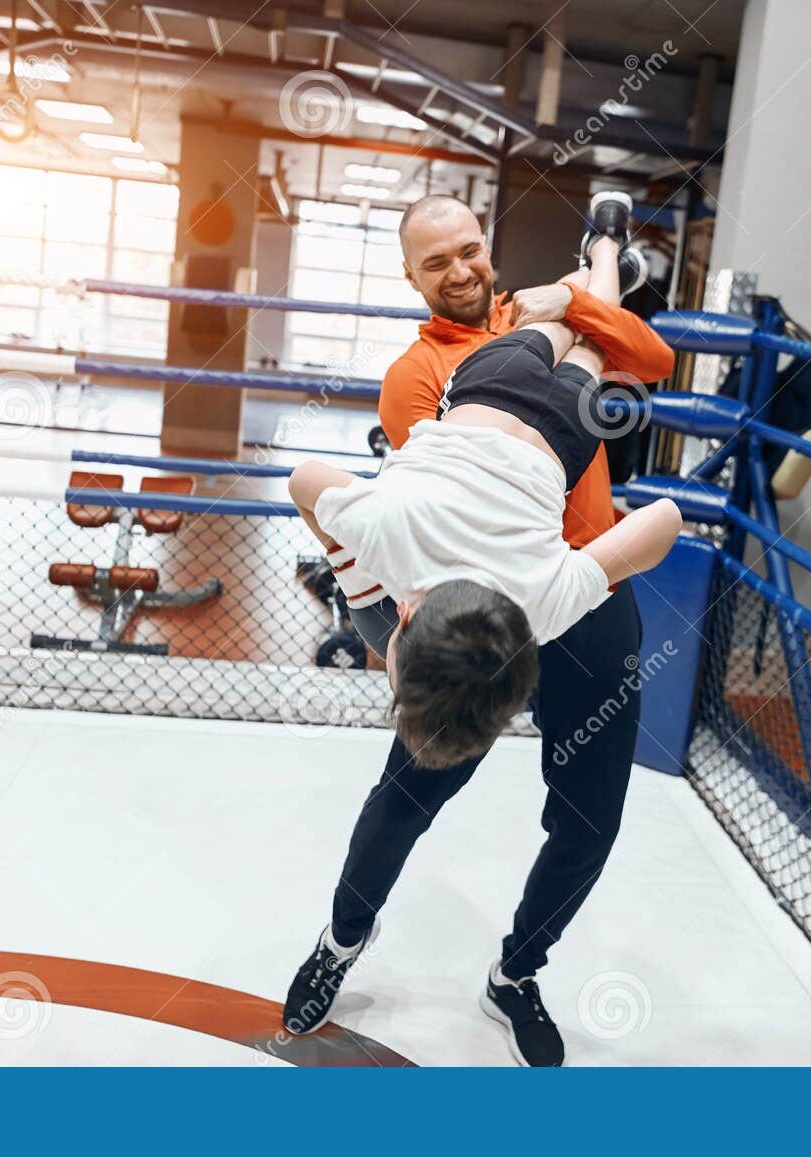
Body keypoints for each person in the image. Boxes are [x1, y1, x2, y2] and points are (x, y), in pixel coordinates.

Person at [282, 191, 677, 1066]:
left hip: (585, 587)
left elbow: (650, 356)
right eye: (437, 261)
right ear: (410, 276)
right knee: (409, 790)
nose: (460, 270)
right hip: (480, 609)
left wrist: (574, 299)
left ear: (485, 250)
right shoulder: (418, 375)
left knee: (591, 818)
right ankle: (342, 940)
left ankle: (516, 974)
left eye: (469, 250)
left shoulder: (539, 313)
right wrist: (388, 626)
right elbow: (417, 524)